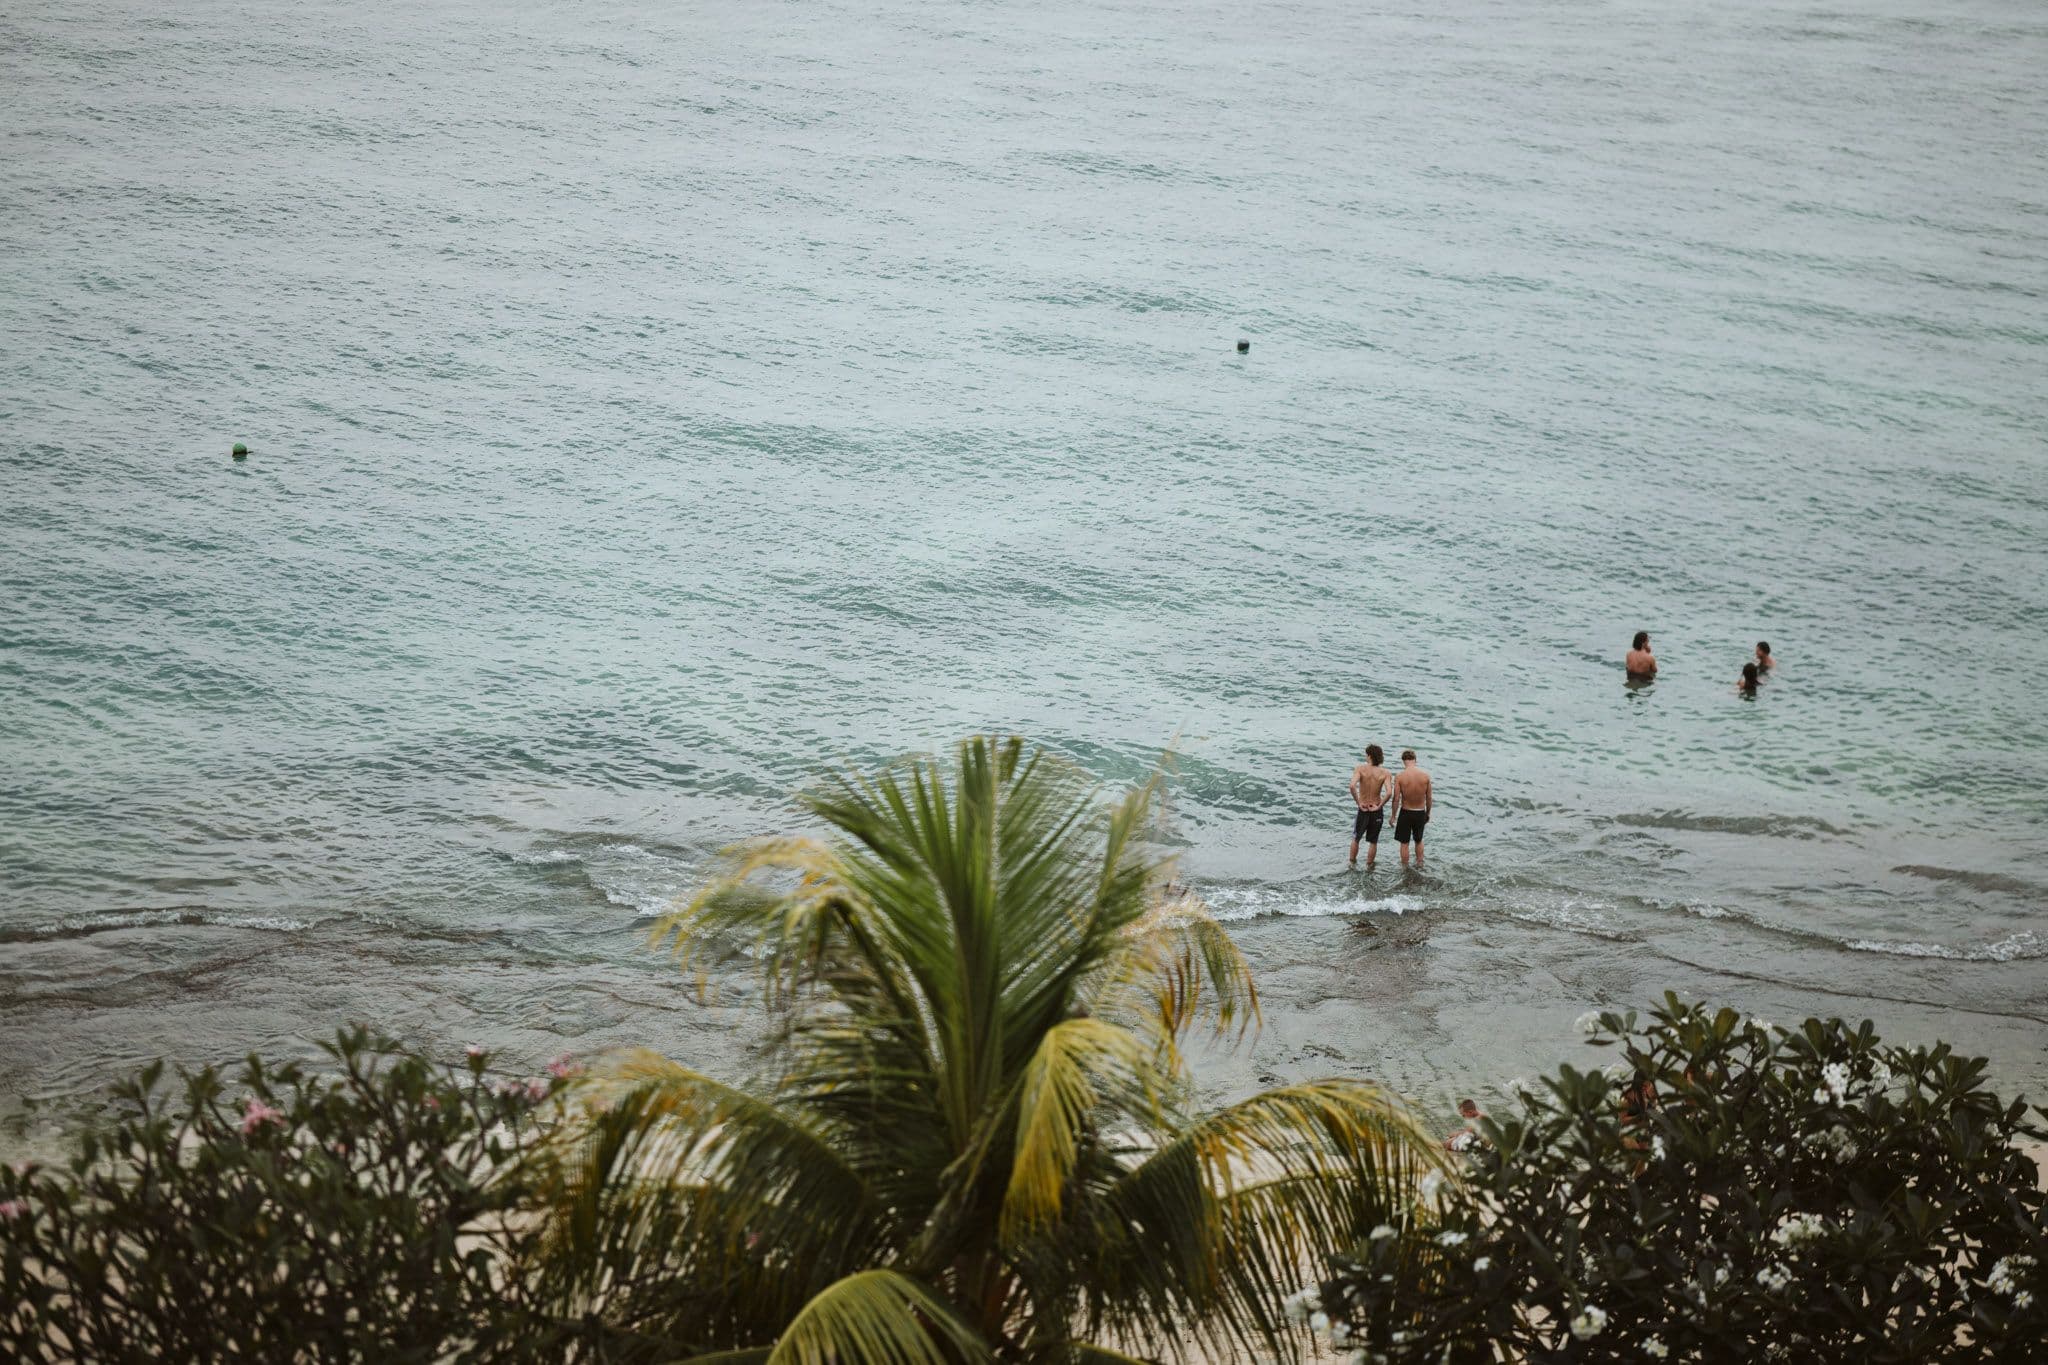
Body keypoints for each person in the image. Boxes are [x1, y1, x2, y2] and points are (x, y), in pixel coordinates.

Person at [1348, 745, 1392, 869]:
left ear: (1370, 756)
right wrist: (1379, 806)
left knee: (1356, 838)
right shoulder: (1385, 773)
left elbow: (1352, 786)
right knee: (1373, 841)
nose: (1365, 756)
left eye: (1366, 754)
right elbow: (1389, 793)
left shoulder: (1360, 769)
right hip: (1376, 809)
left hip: (1363, 808)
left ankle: (1352, 864)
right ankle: (1369, 867)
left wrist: (1358, 803)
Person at [1391, 749, 1432, 868]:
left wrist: (1393, 816)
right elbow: (1429, 798)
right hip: (1420, 812)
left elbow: (1396, 798)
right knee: (1418, 840)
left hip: (1406, 812)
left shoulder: (1400, 776)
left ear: (1403, 761)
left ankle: (1405, 868)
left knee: (1404, 843)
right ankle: (1420, 864)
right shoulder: (1425, 776)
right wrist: (1428, 813)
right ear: (1415, 760)